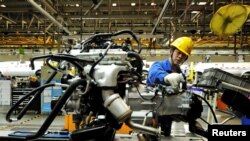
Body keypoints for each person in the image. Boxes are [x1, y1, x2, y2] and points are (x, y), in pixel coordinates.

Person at [146, 36, 193, 136]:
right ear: (171, 51)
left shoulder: (181, 76)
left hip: (168, 117)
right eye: (178, 52)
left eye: (184, 54)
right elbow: (154, 75)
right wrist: (166, 77)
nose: (180, 56)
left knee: (166, 137)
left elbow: (183, 97)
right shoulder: (158, 65)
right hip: (152, 113)